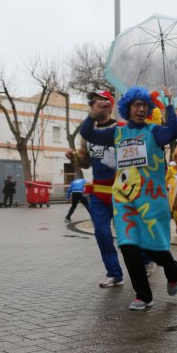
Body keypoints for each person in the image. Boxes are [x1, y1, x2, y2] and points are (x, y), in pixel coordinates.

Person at [80, 86, 177, 311]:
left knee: (154, 250)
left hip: (151, 201)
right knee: (128, 247)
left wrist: (171, 104)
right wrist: (93, 114)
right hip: (124, 199)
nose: (141, 109)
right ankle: (143, 295)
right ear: (128, 108)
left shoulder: (154, 131)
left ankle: (173, 270)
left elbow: (174, 132)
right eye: (137, 105)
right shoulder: (118, 132)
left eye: (145, 105)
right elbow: (88, 134)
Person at [69, 90, 126, 288]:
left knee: (126, 236)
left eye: (99, 101)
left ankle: (145, 260)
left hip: (121, 191)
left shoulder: (120, 128)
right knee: (101, 233)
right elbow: (85, 162)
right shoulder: (88, 132)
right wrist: (75, 158)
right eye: (92, 102)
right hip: (98, 192)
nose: (94, 104)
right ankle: (114, 274)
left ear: (109, 105)